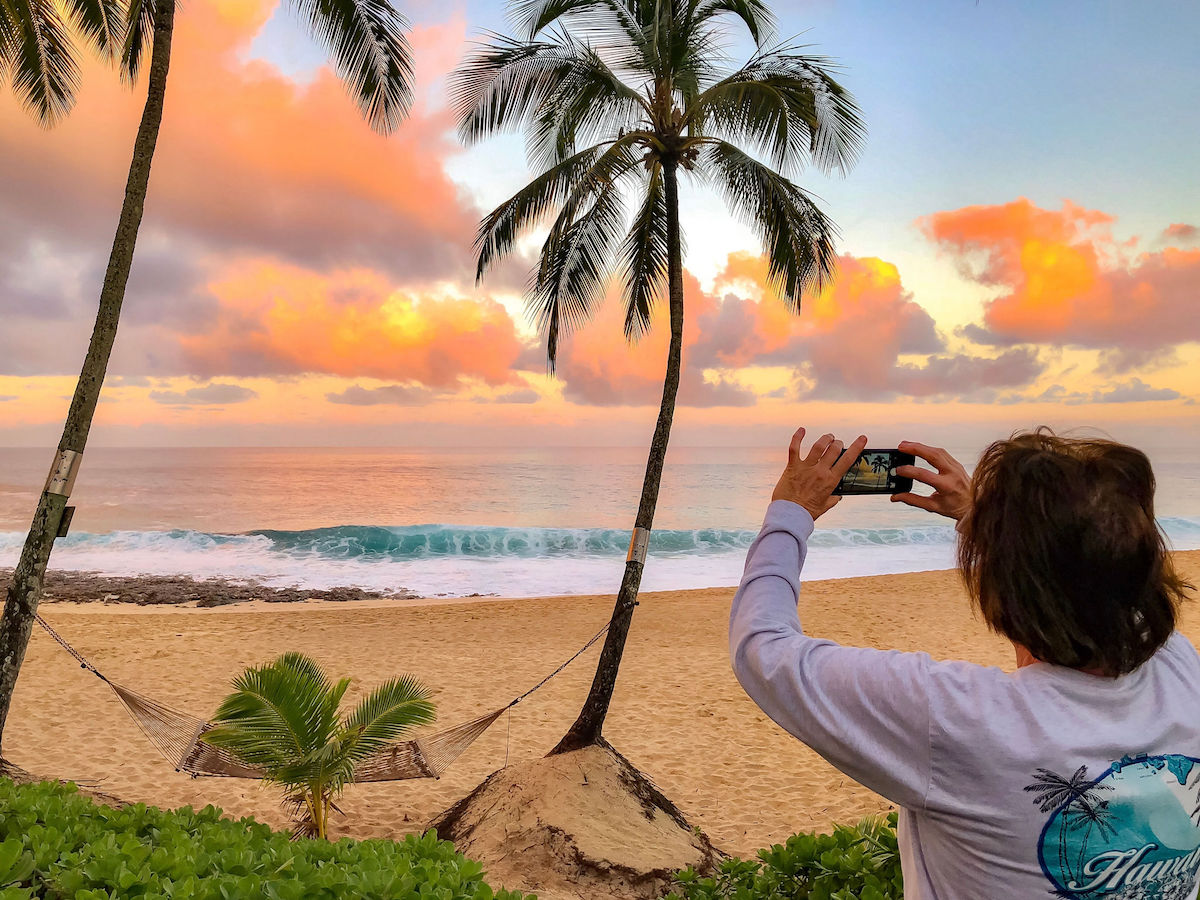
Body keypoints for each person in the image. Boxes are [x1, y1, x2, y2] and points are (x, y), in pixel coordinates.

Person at [729, 427, 1197, 899]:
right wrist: (984, 521)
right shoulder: (1182, 673)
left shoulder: (960, 720)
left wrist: (791, 512)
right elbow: (1104, 579)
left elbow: (762, 647)